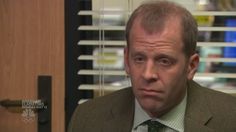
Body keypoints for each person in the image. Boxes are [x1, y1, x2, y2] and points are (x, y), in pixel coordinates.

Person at [68, 1, 236, 132]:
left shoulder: (230, 119)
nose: (148, 74)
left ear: (191, 67)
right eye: (139, 59)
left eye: (164, 61)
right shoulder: (87, 119)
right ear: (127, 61)